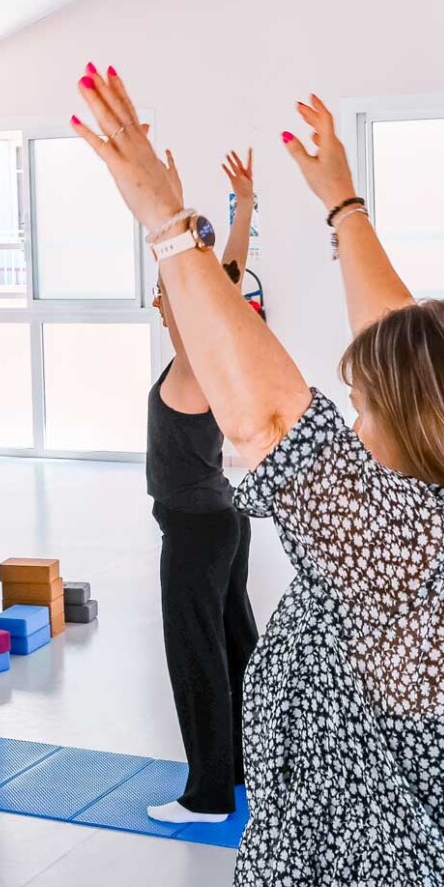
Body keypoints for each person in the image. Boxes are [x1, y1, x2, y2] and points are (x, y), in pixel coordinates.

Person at [72, 66, 444, 887]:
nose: (354, 424)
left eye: (362, 408)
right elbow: (415, 356)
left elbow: (274, 419)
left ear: (413, 422)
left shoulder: (410, 561)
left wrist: (166, 224)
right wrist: (344, 208)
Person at [144, 148, 259, 825]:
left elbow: (205, 286)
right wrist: (244, 210)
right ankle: (243, 767)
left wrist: (169, 212)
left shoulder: (194, 365)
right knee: (234, 645)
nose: (160, 299)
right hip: (224, 521)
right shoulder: (215, 355)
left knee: (197, 660)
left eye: (165, 293)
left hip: (194, 530)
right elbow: (227, 283)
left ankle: (207, 796)